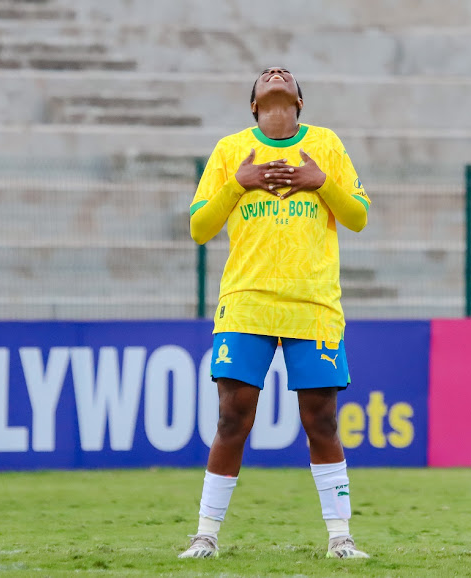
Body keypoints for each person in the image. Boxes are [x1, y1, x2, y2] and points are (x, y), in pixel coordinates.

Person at [180, 66, 371, 560]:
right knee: (231, 419)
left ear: (299, 101)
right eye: (266, 74)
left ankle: (340, 537)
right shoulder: (230, 151)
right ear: (254, 104)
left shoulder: (326, 144)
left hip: (313, 304)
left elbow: (358, 217)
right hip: (248, 302)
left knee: (322, 421)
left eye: (284, 74)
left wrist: (321, 181)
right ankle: (205, 535)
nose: (276, 72)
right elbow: (200, 227)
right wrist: (237, 184)